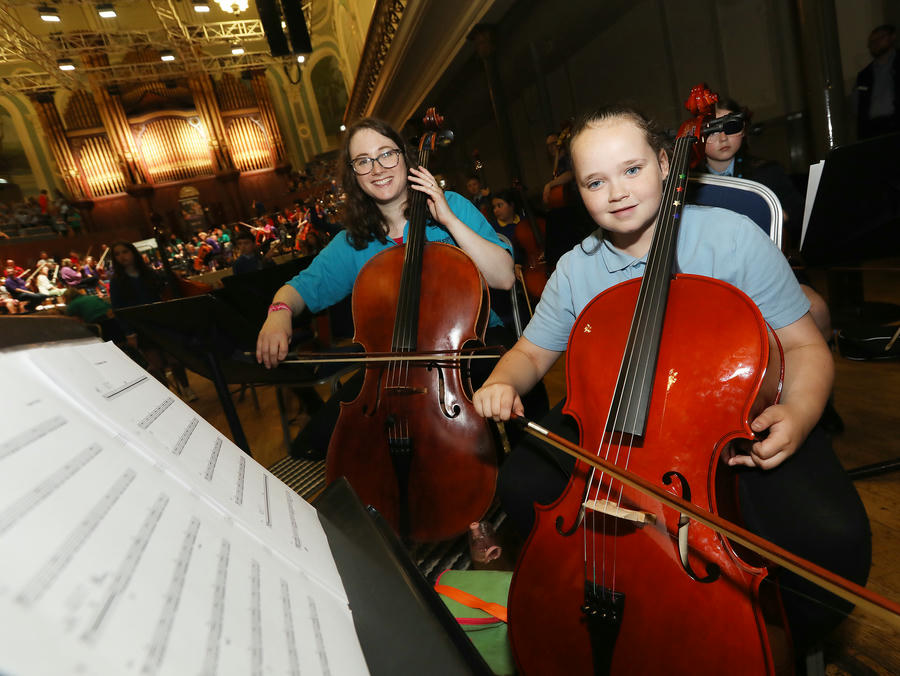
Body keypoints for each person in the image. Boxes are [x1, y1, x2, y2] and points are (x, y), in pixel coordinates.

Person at [472, 105, 870, 656]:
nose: (617, 192)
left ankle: (752, 645)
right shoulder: (577, 268)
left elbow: (805, 345)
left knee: (829, 540)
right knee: (522, 482)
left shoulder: (732, 239)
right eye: (595, 181)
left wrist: (799, 415)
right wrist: (502, 381)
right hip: (620, 427)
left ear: (664, 164)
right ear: (578, 192)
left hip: (727, 425)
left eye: (631, 170)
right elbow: (530, 352)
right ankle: (618, 594)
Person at [256, 116, 530, 459]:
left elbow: (504, 276)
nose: (377, 168)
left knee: (504, 418)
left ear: (405, 157)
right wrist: (279, 312)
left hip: (473, 348)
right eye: (363, 161)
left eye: (386, 154)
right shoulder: (353, 242)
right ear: (354, 175)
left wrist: (447, 219)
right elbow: (301, 288)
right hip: (396, 366)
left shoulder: (453, 205)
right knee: (316, 442)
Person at [108, 241, 197, 401]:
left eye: (125, 252)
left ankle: (186, 388)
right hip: (140, 327)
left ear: (133, 253)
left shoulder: (149, 274)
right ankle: (168, 399)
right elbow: (118, 309)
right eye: (117, 254)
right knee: (156, 366)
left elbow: (164, 294)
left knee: (174, 358)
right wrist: (129, 332)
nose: (122, 257)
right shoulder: (116, 281)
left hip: (160, 322)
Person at [855, 24, 900, 139]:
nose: (875, 44)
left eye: (880, 38)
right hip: (873, 131)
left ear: (892, 37)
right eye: (872, 42)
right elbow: (859, 107)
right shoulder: (864, 75)